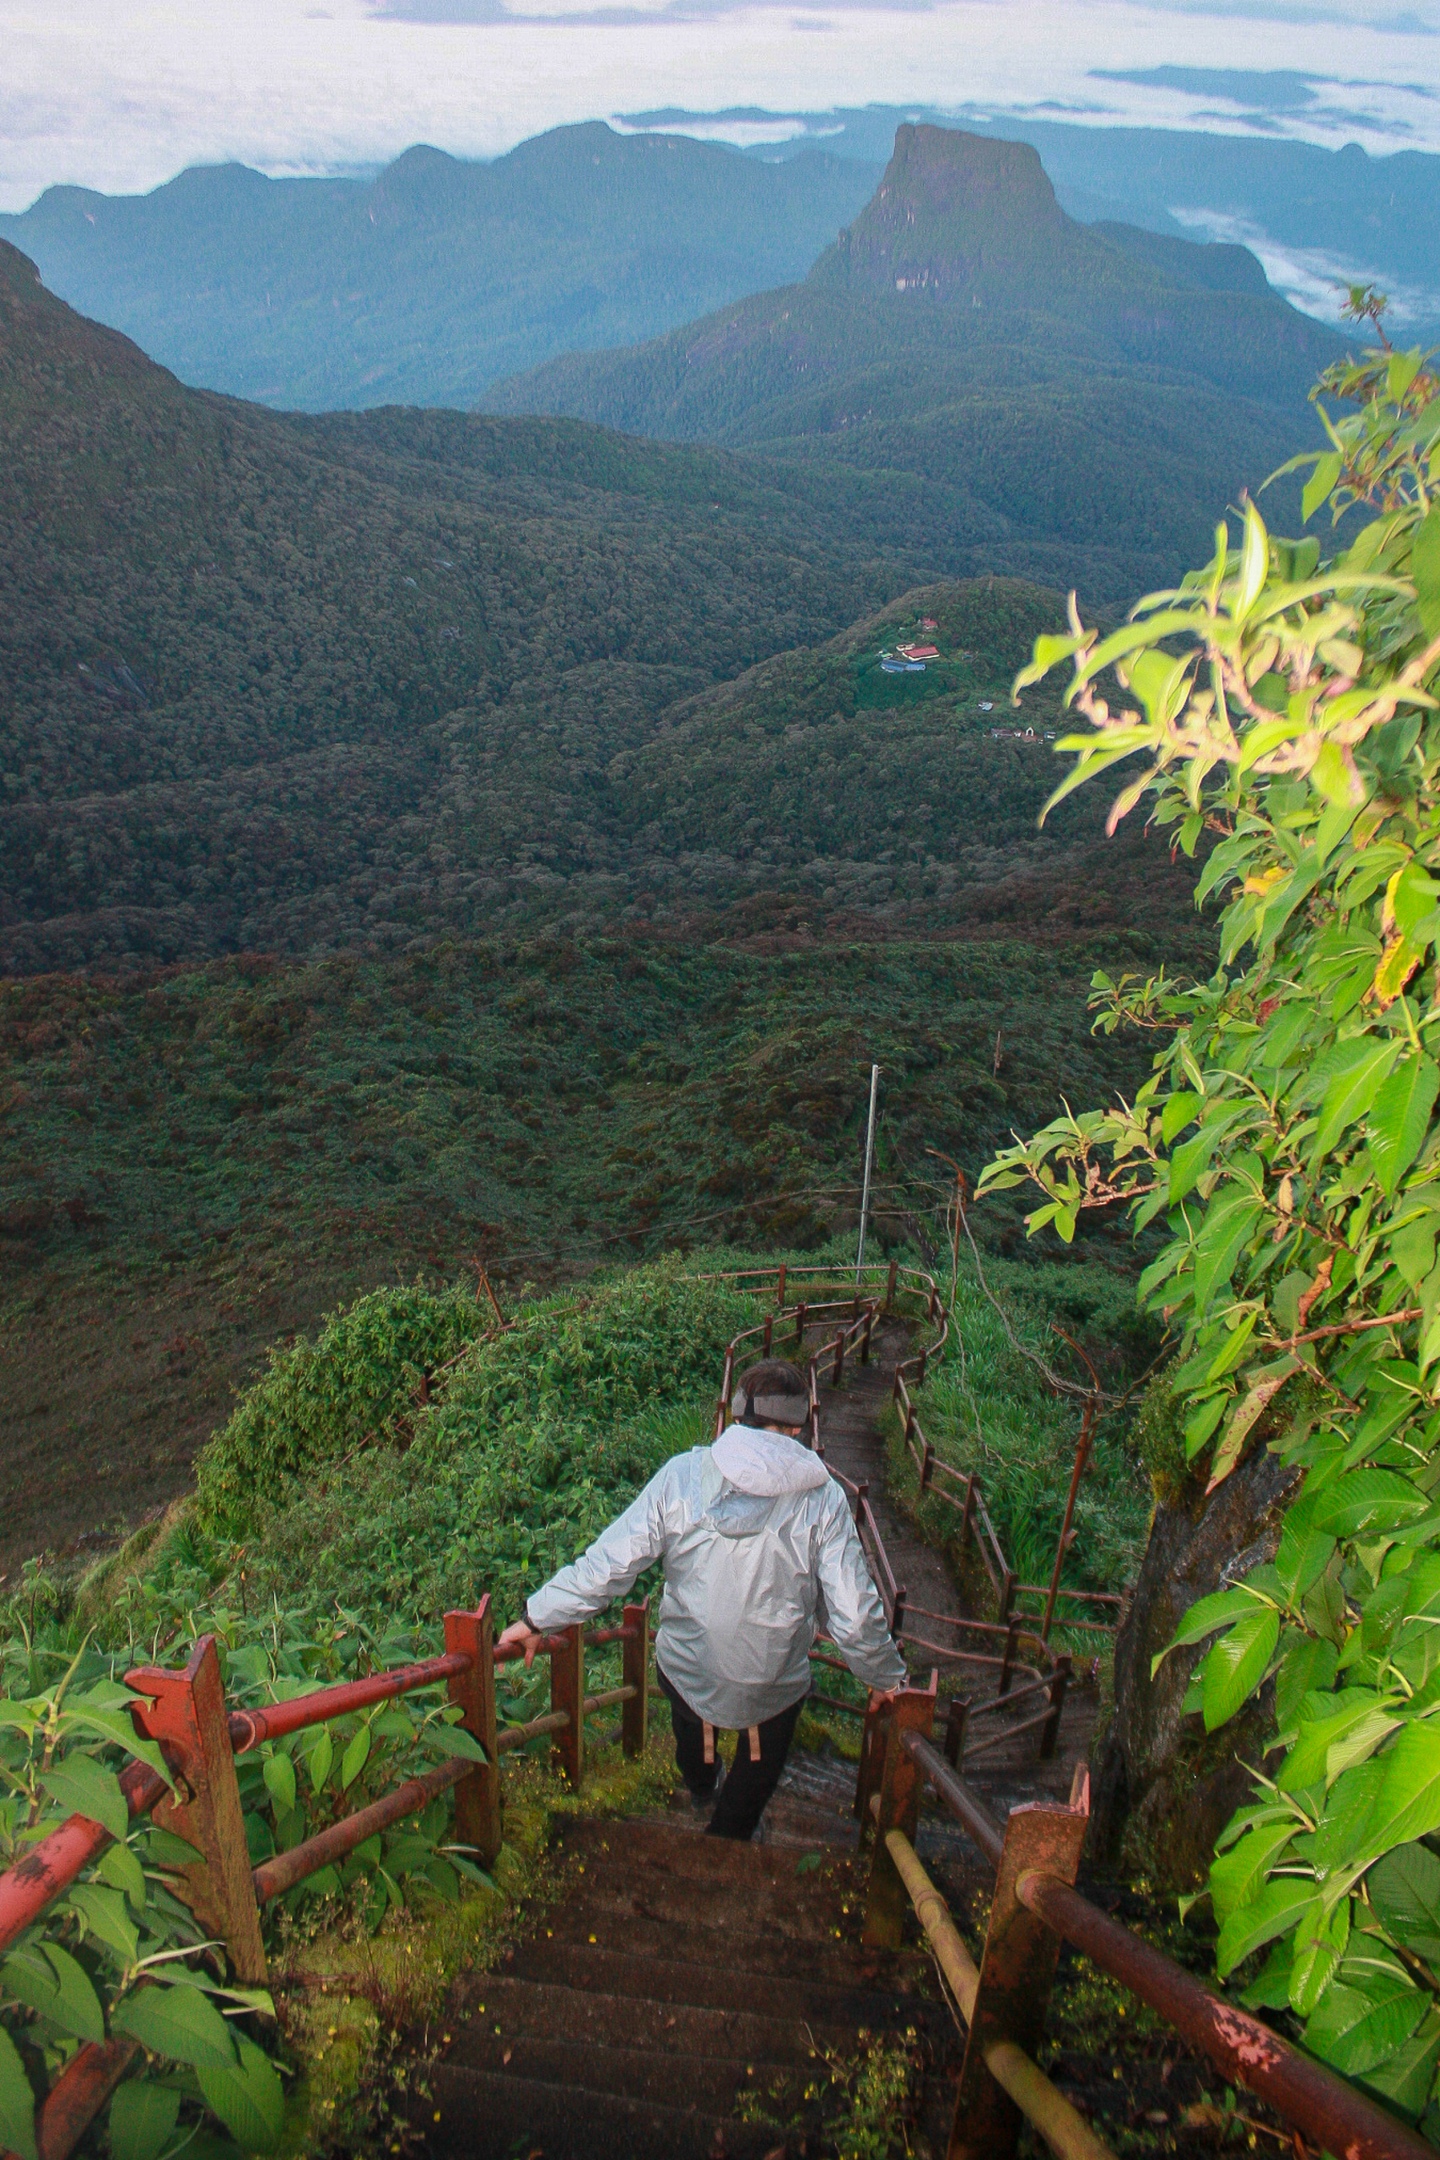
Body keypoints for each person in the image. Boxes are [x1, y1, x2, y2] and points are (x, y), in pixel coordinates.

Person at [495, 1357, 908, 1842]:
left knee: (692, 1730)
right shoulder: (824, 1500)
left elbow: (609, 1565)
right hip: (772, 1683)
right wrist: (884, 1677)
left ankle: (699, 1783)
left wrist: (536, 1616)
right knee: (758, 1768)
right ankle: (724, 1839)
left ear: (737, 1416)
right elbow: (855, 1617)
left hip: (689, 1667)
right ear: (797, 1426)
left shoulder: (683, 1475)